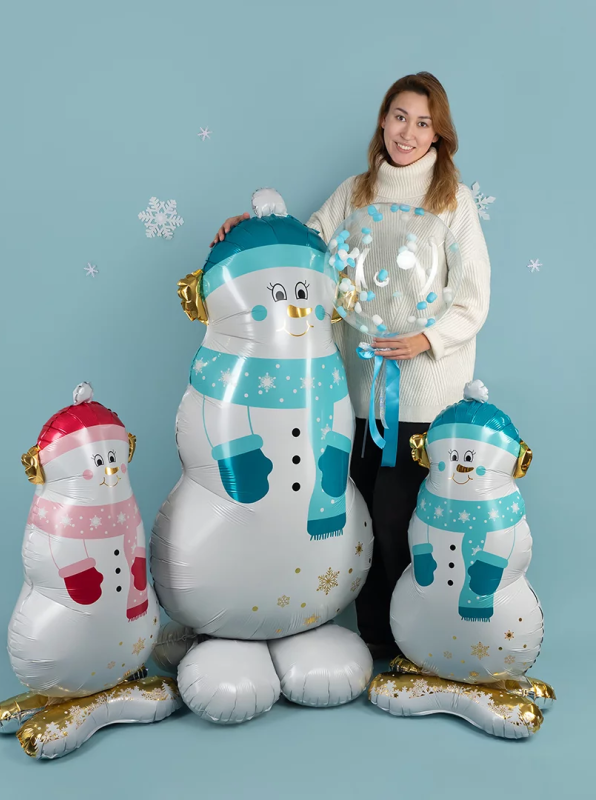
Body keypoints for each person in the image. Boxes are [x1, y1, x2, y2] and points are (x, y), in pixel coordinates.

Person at [210, 72, 491, 659]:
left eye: (422, 123)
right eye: (399, 116)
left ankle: (420, 641)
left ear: (438, 134)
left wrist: (426, 339)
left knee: (399, 518)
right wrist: (252, 230)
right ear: (383, 119)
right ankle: (375, 643)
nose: (407, 132)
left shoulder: (453, 201)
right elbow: (308, 249)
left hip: (422, 392)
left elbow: (472, 299)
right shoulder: (355, 192)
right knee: (358, 515)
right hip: (357, 387)